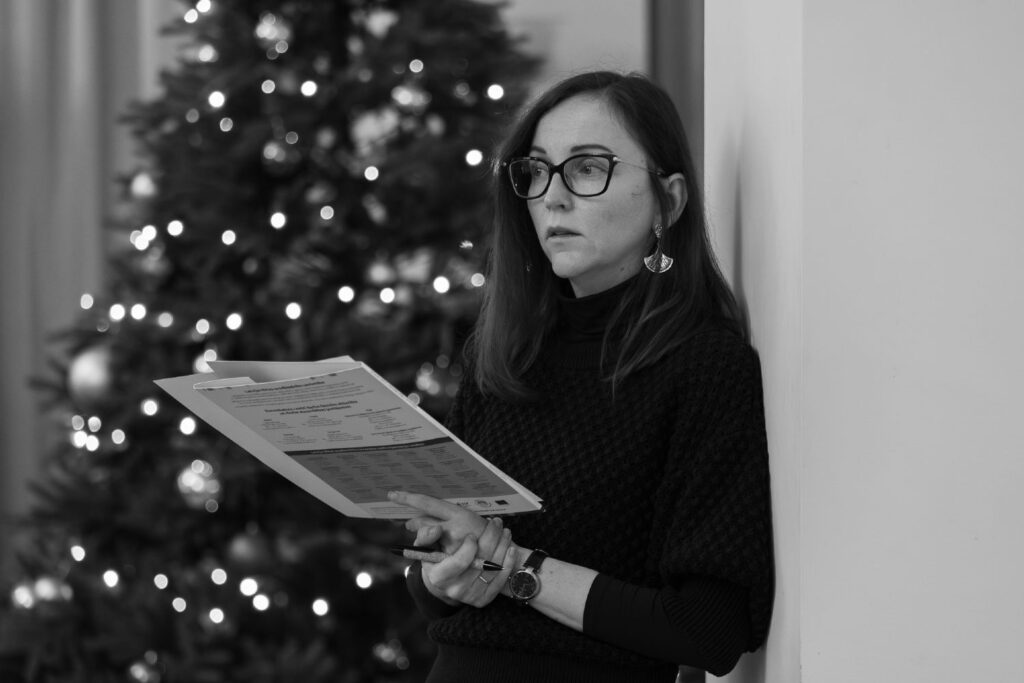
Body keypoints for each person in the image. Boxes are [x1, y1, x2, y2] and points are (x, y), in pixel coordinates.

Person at [390, 70, 774, 682]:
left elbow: (710, 626)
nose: (553, 197)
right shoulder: (501, 354)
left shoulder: (704, 367)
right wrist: (442, 576)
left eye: (589, 168)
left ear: (668, 201)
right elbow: (446, 579)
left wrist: (518, 570)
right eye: (538, 171)